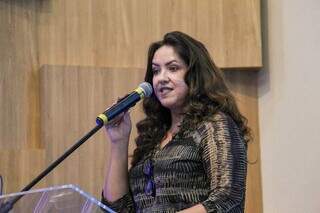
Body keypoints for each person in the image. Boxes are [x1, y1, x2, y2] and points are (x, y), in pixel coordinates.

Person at [101, 31, 250, 213]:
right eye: (156, 71)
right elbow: (116, 209)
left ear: (195, 74)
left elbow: (227, 200)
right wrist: (118, 142)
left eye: (172, 68)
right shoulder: (153, 139)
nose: (161, 78)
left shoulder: (214, 125)